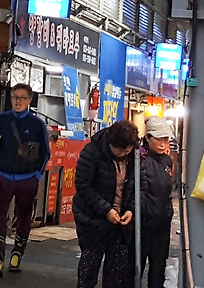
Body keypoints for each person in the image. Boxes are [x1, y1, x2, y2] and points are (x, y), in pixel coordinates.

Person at [0, 83, 51, 276]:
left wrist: (37, 174)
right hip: (2, 176)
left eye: (22, 98)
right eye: (15, 97)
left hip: (27, 179)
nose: (18, 101)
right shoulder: (3, 119)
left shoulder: (37, 124)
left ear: (29, 100)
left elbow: (45, 152)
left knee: (23, 218)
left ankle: (17, 255)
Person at [74, 119, 140, 288]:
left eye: (128, 150)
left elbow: (138, 186)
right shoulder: (91, 152)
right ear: (111, 143)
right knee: (89, 268)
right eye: (121, 150)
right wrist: (106, 210)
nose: (124, 153)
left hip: (121, 223)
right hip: (93, 219)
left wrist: (131, 209)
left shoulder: (134, 156)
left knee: (116, 275)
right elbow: (83, 186)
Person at [134, 116, 176, 288]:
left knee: (159, 268)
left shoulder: (167, 161)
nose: (163, 143)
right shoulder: (139, 159)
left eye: (166, 139)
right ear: (148, 138)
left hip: (163, 223)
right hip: (143, 223)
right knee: (135, 266)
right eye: (159, 139)